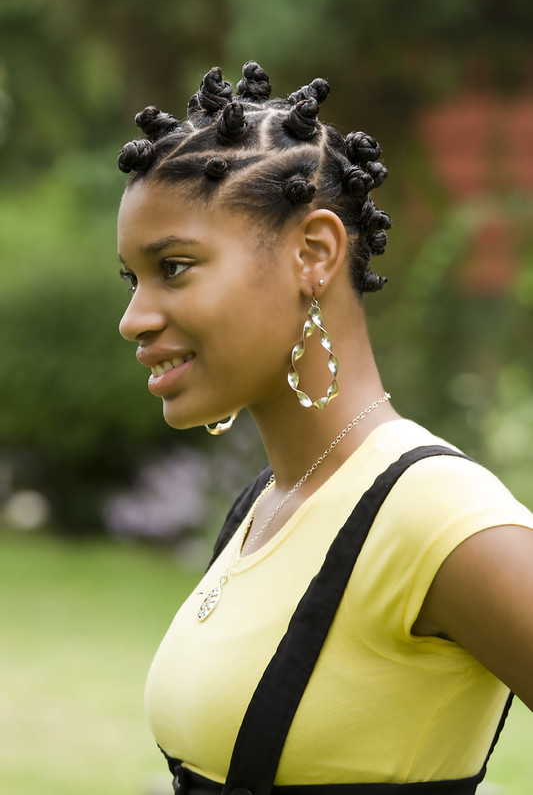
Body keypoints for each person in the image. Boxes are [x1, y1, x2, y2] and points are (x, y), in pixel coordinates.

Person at [116, 62, 533, 794]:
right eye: (133, 279)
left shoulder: (439, 515)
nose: (134, 319)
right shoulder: (267, 503)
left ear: (313, 252)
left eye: (174, 267)